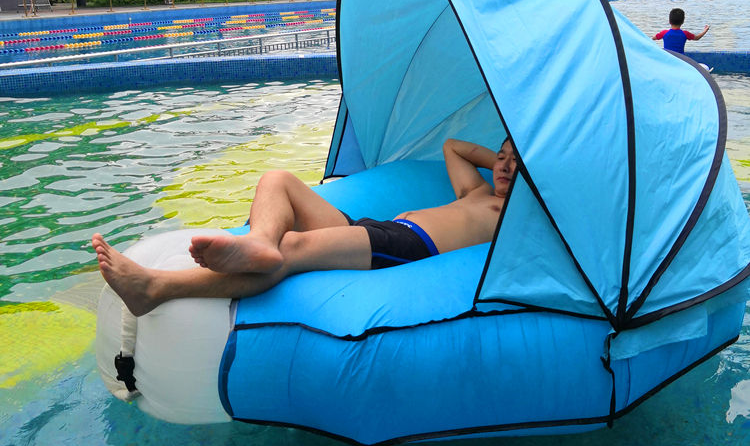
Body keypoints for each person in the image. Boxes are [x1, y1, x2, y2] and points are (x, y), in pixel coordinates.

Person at [92, 137, 518, 316]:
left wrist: (525, 167)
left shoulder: (516, 215)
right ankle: (260, 241)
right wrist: (506, 156)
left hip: (410, 246)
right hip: (380, 229)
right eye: (501, 157)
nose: (503, 165)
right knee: (277, 179)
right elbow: (453, 147)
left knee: (293, 248)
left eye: (515, 162)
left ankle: (155, 288)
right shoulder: (476, 192)